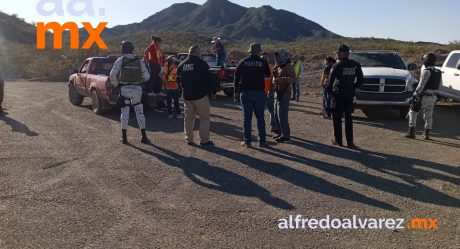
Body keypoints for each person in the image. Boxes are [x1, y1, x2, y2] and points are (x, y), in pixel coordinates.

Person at [110, 41, 151, 144]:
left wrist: (117, 84)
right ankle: (144, 136)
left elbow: (112, 75)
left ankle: (124, 137)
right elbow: (147, 76)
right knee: (139, 112)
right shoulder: (139, 60)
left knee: (125, 112)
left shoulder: (120, 60)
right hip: (137, 89)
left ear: (123, 49)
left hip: (125, 89)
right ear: (132, 48)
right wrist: (140, 81)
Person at [234, 43, 271, 147]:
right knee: (260, 117)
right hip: (259, 92)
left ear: (249, 51)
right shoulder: (262, 62)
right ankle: (262, 141)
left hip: (245, 93)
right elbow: (268, 74)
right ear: (259, 52)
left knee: (247, 117)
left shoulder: (243, 62)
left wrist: (236, 91)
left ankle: (247, 141)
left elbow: (236, 77)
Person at [326, 44, 363, 148]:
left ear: (342, 53)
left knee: (337, 118)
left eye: (337, 53)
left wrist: (330, 94)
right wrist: (352, 88)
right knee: (348, 118)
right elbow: (360, 81)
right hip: (349, 95)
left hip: (338, 95)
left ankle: (338, 141)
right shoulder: (355, 65)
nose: (337, 55)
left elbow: (330, 82)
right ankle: (350, 142)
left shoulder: (337, 65)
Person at [177, 46, 215, 146]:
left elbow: (178, 80)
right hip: (200, 95)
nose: (201, 54)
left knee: (188, 118)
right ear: (197, 52)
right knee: (204, 118)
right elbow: (209, 79)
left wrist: (182, 90)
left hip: (187, 95)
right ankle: (204, 140)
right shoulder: (201, 63)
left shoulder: (182, 64)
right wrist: (212, 91)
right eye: (200, 52)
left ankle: (189, 139)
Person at [404, 53, 441, 140]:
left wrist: (415, 94)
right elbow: (439, 85)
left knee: (413, 112)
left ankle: (411, 132)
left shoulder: (426, 71)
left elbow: (421, 85)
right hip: (433, 96)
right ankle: (426, 134)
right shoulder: (438, 72)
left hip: (423, 96)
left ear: (426, 61)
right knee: (429, 115)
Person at [273, 49, 295, 143]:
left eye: (278, 56)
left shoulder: (287, 65)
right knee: (276, 114)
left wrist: (282, 79)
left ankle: (286, 136)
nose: (277, 58)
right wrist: (274, 78)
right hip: (278, 91)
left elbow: (293, 78)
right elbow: (274, 76)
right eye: (276, 56)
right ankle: (280, 132)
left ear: (282, 56)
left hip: (285, 92)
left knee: (283, 114)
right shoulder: (278, 65)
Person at [261, 52, 277, 133]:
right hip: (264, 92)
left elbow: (274, 79)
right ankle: (272, 126)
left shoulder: (270, 67)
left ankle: (269, 127)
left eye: (265, 57)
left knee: (263, 111)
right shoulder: (270, 67)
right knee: (271, 110)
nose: (265, 58)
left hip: (266, 92)